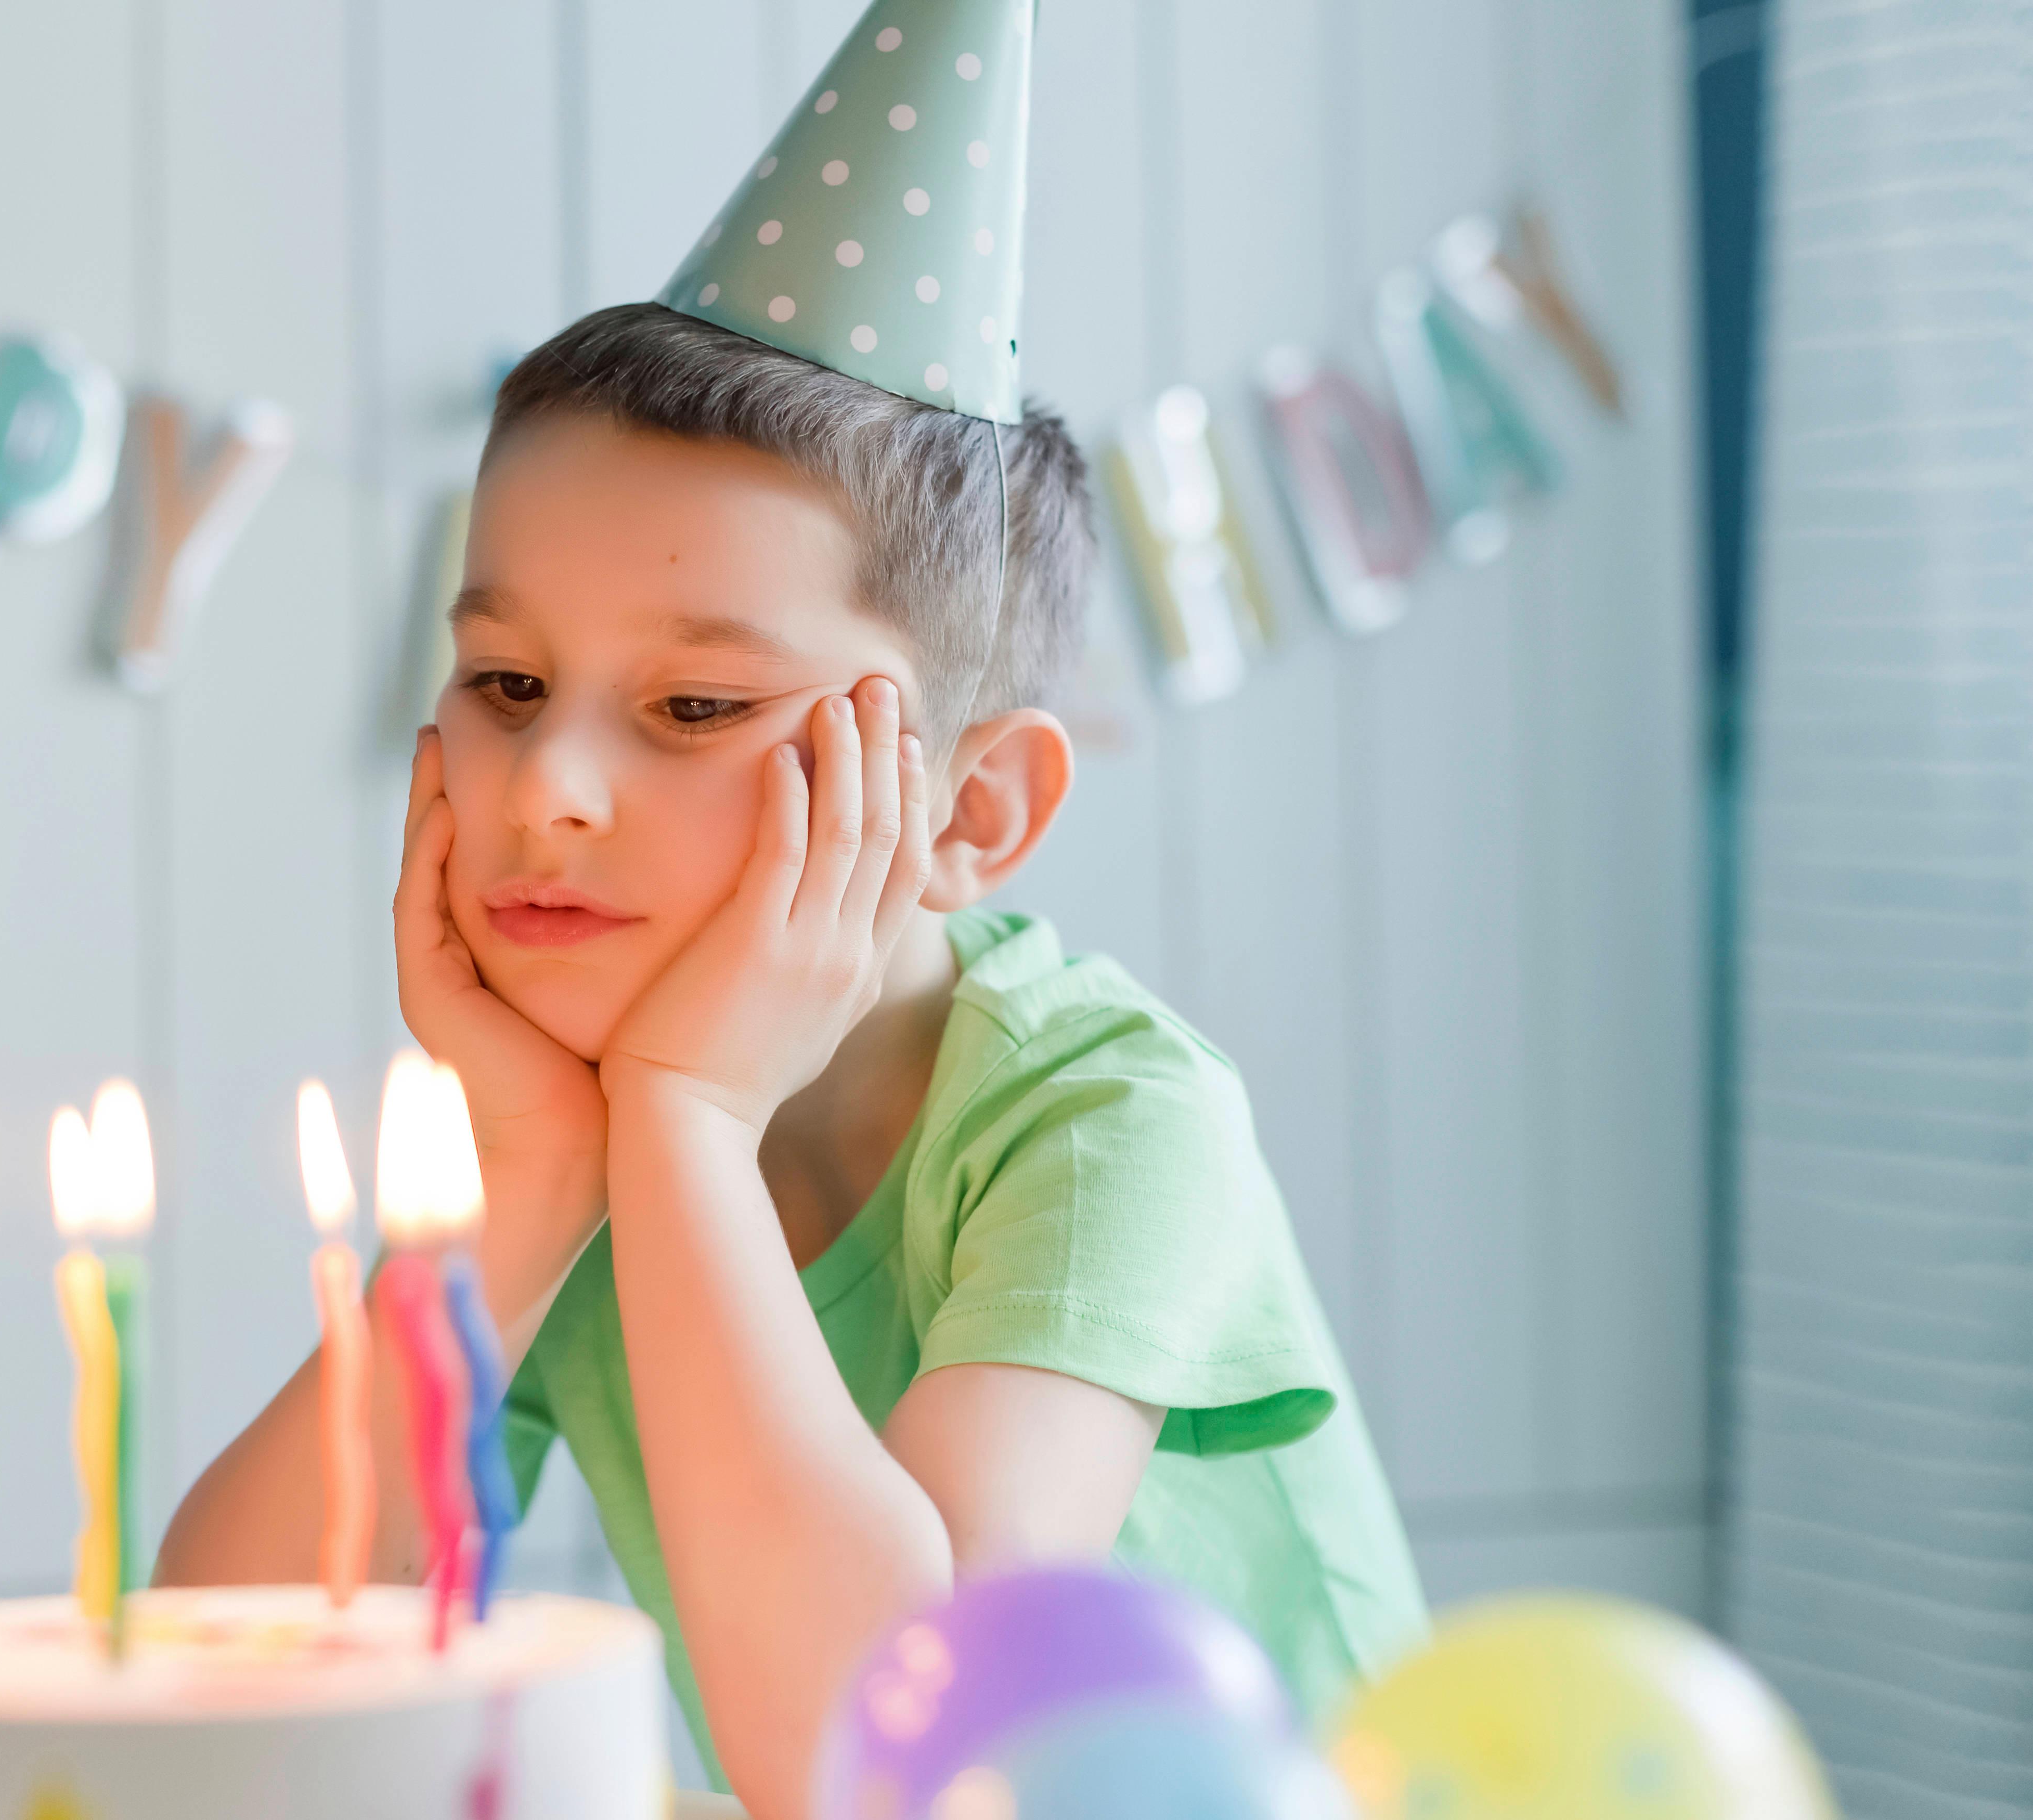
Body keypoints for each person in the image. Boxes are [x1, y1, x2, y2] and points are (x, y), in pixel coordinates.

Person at [158, 8, 1423, 1814]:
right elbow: (212, 1692)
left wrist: (681, 1117)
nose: (547, 791)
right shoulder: (568, 1128)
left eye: (692, 708)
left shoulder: (1115, 1119)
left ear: (969, 808)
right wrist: (520, 1192)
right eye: (505, 683)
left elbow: (882, 1758)